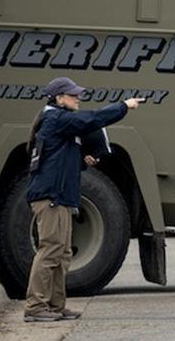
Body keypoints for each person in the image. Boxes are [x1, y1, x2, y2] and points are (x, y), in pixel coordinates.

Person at [24, 77, 143, 322]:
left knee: (63, 253)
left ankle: (56, 306)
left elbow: (56, 162)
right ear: (59, 98)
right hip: (51, 198)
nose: (78, 97)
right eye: (73, 94)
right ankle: (35, 307)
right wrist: (124, 106)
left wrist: (81, 161)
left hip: (60, 197)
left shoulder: (59, 124)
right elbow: (92, 119)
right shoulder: (56, 119)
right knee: (50, 251)